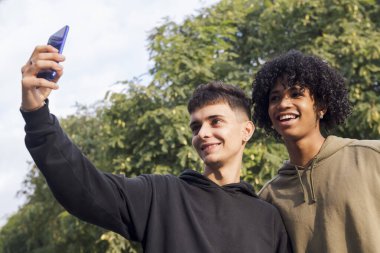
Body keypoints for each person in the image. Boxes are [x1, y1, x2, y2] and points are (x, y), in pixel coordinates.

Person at [20, 45, 292, 253]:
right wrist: (36, 115)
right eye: (196, 127)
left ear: (246, 131)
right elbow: (84, 188)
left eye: (215, 121)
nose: (203, 133)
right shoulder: (160, 195)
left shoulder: (268, 219)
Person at [251, 50, 380, 253]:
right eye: (274, 98)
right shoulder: (268, 198)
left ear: (321, 105)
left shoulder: (372, 157)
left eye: (296, 94)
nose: (283, 104)